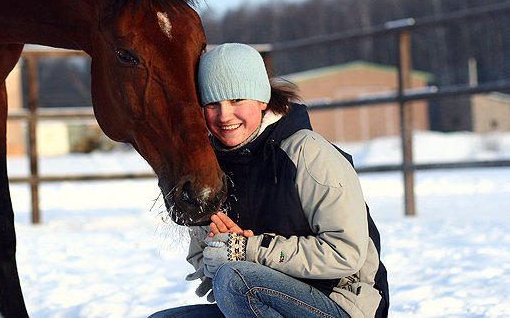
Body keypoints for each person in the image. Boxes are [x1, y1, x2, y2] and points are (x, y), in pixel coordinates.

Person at [150, 43, 389, 318]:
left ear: (263, 100)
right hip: (261, 300)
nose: (224, 115)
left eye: (237, 100)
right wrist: (215, 257)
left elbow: (345, 253)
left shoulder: (307, 153)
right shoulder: (213, 168)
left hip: (338, 303)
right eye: (212, 104)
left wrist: (245, 250)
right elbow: (209, 265)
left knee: (234, 279)